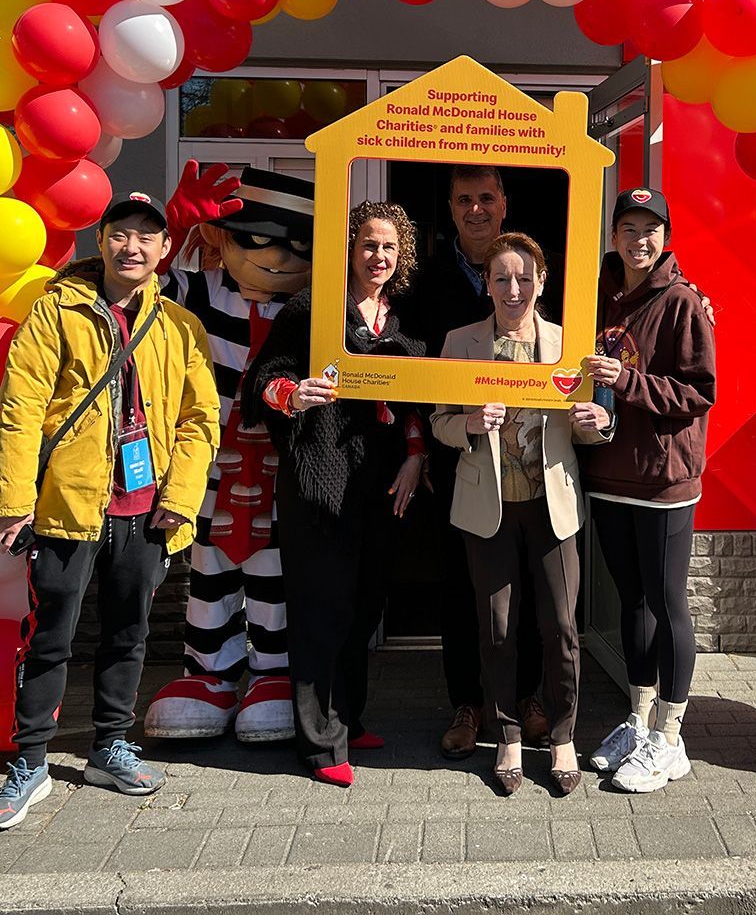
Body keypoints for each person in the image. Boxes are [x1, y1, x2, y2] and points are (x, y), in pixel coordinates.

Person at [0, 192, 220, 831]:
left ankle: (111, 745)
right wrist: (12, 500)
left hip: (146, 510)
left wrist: (181, 496)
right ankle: (29, 763)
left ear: (165, 250)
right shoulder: (56, 312)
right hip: (65, 507)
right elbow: (21, 406)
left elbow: (199, 420)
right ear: (102, 241)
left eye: (146, 237)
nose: (132, 247)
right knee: (52, 635)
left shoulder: (179, 327)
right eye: (120, 234)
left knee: (130, 631)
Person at [240, 201, 427, 787]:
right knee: (323, 611)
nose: (378, 256)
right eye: (369, 244)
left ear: (403, 257)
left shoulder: (405, 323)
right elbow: (258, 386)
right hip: (319, 481)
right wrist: (293, 396)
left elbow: (418, 402)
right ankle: (320, 745)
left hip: (383, 485)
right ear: (349, 249)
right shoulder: (310, 309)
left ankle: (348, 717)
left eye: (389, 247)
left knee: (364, 607)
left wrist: (418, 455)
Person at [431, 232, 611, 796]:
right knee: (497, 629)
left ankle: (561, 739)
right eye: (502, 277)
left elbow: (592, 425)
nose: (514, 288)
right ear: (486, 282)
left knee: (560, 626)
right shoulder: (460, 342)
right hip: (488, 507)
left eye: (524, 277)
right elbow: (439, 420)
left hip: (552, 504)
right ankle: (507, 734)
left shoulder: (567, 343)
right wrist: (466, 425)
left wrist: (594, 423)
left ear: (542, 282)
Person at [145, 163, 315, 744]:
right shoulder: (198, 292)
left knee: (276, 571)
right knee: (209, 564)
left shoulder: (315, 312)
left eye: (300, 245)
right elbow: (136, 296)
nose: (279, 258)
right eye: (256, 239)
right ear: (223, 237)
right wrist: (166, 232)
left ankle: (272, 673)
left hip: (279, 464)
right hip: (210, 460)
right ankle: (209, 674)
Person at [401, 165, 551, 759]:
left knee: (534, 590)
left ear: (504, 203)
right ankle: (466, 703)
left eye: (486, 197)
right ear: (452, 206)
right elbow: (410, 372)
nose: (476, 209)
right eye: (465, 199)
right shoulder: (425, 281)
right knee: (461, 590)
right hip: (457, 456)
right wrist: (421, 447)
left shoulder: (534, 274)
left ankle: (529, 698)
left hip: (530, 463)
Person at [582, 187, 716, 795]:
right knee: (631, 601)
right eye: (629, 228)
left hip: (664, 481)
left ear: (665, 236)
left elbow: (698, 393)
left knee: (667, 606)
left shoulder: (684, 303)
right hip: (610, 475)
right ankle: (637, 723)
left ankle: (670, 738)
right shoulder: (601, 298)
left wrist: (629, 382)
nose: (640, 240)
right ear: (613, 236)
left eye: (650, 229)